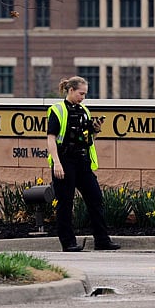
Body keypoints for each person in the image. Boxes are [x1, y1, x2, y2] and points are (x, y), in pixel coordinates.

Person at [47, 76, 120, 252]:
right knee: (65, 203)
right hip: (65, 161)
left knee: (96, 199)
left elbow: (88, 140)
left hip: (82, 161)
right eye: (81, 93)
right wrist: (57, 163)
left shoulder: (85, 111)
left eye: (85, 94)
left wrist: (96, 130)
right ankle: (68, 242)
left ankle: (102, 240)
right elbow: (51, 138)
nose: (83, 98)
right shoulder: (57, 110)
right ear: (70, 90)